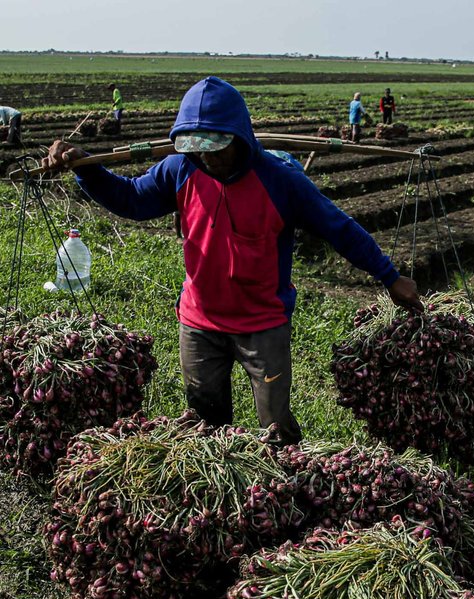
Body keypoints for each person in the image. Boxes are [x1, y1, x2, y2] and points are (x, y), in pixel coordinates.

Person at [42, 76, 423, 445]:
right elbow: (131, 199)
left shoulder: (281, 180)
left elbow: (340, 229)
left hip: (263, 323)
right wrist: (86, 169)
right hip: (200, 321)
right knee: (206, 423)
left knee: (275, 427)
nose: (209, 157)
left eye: (218, 146)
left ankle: (289, 481)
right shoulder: (181, 168)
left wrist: (390, 276)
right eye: (199, 147)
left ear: (240, 138)